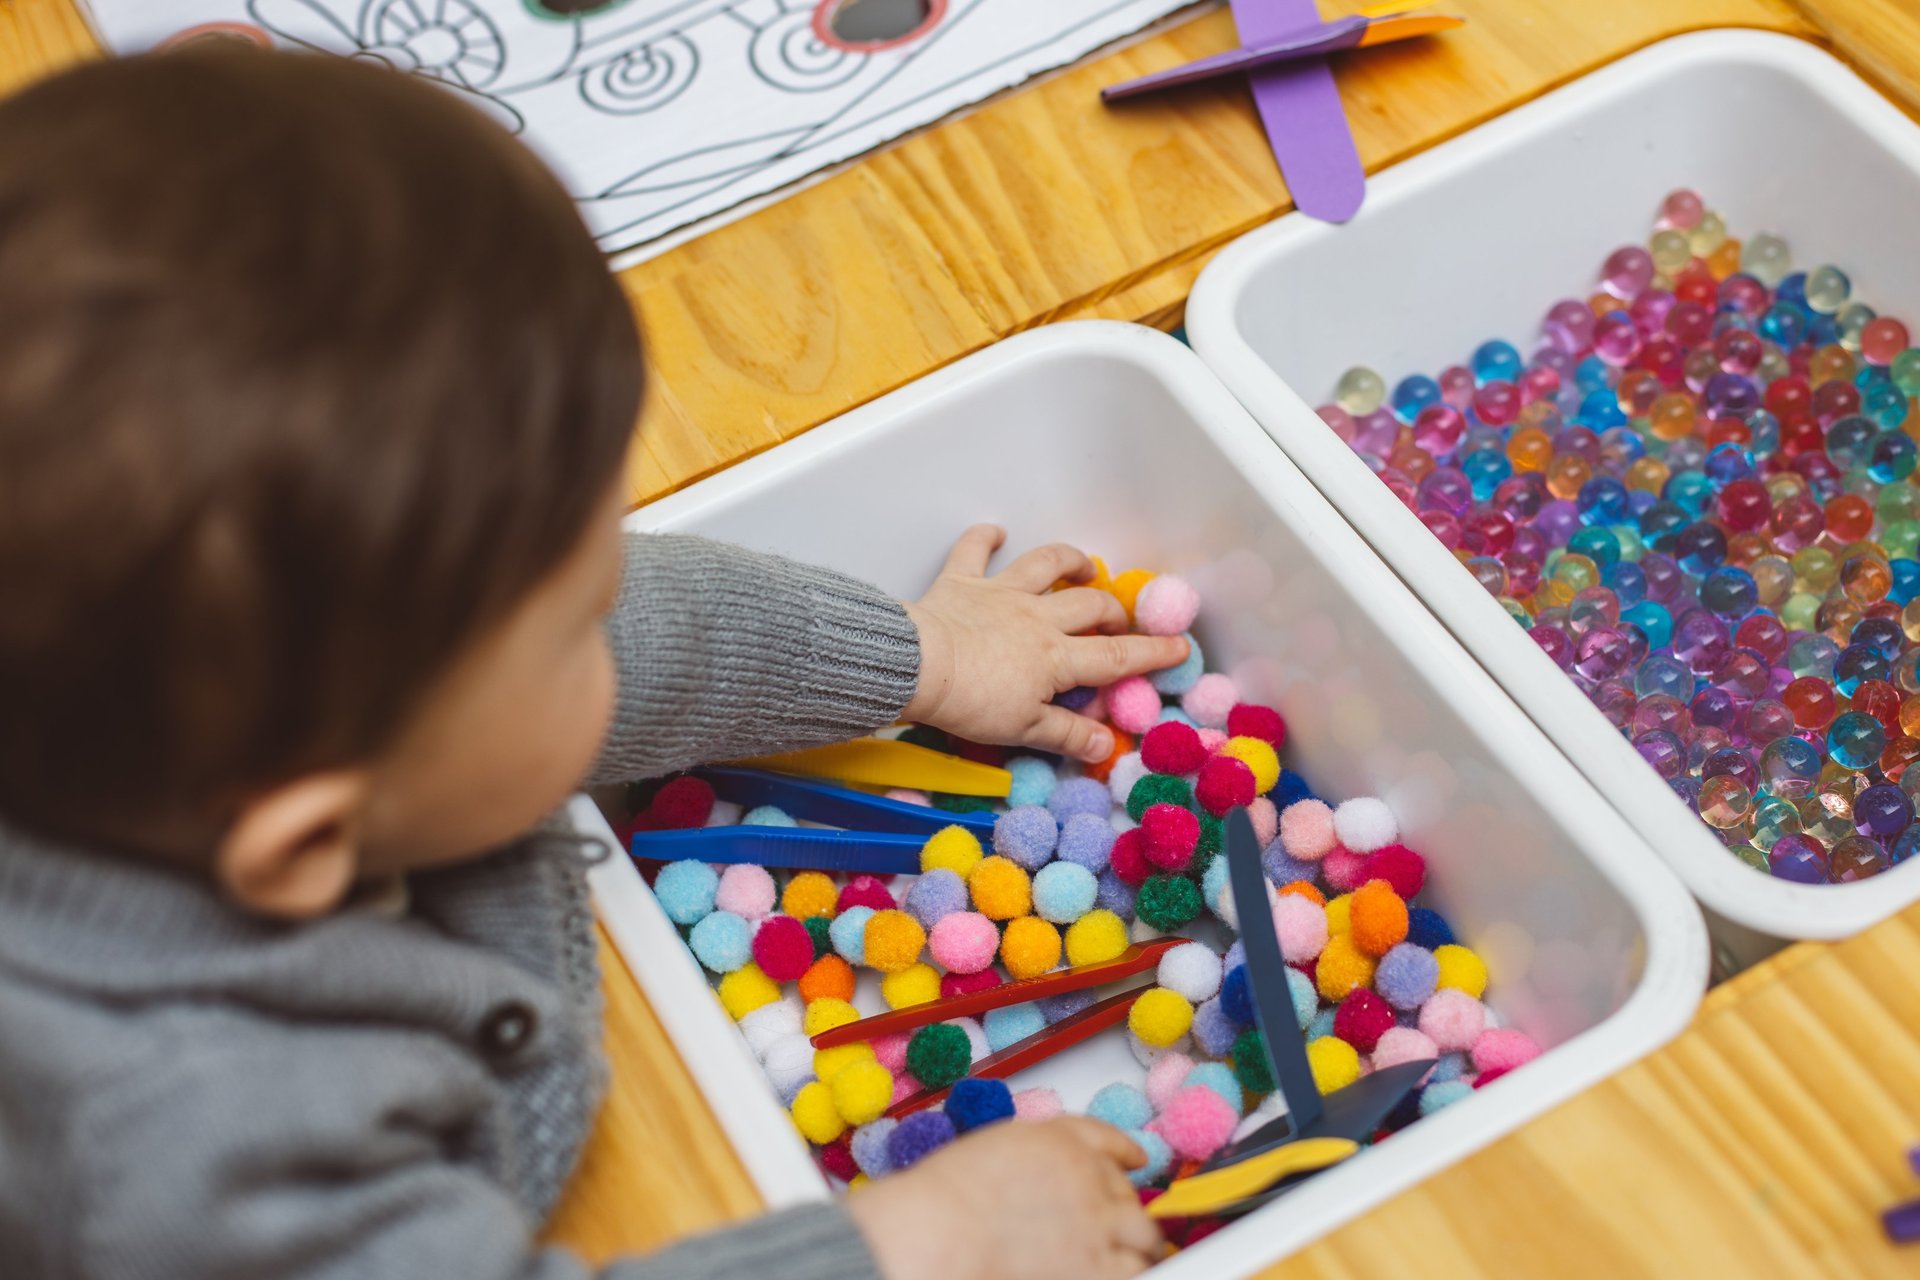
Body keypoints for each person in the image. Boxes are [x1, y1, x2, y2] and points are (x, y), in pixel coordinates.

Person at [0, 44, 1186, 1280]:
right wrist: (908, 1245)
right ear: (304, 842)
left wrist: (922, 652)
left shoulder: (207, 688)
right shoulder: (190, 1144)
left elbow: (650, 630)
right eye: (576, 627)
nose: (622, 611)